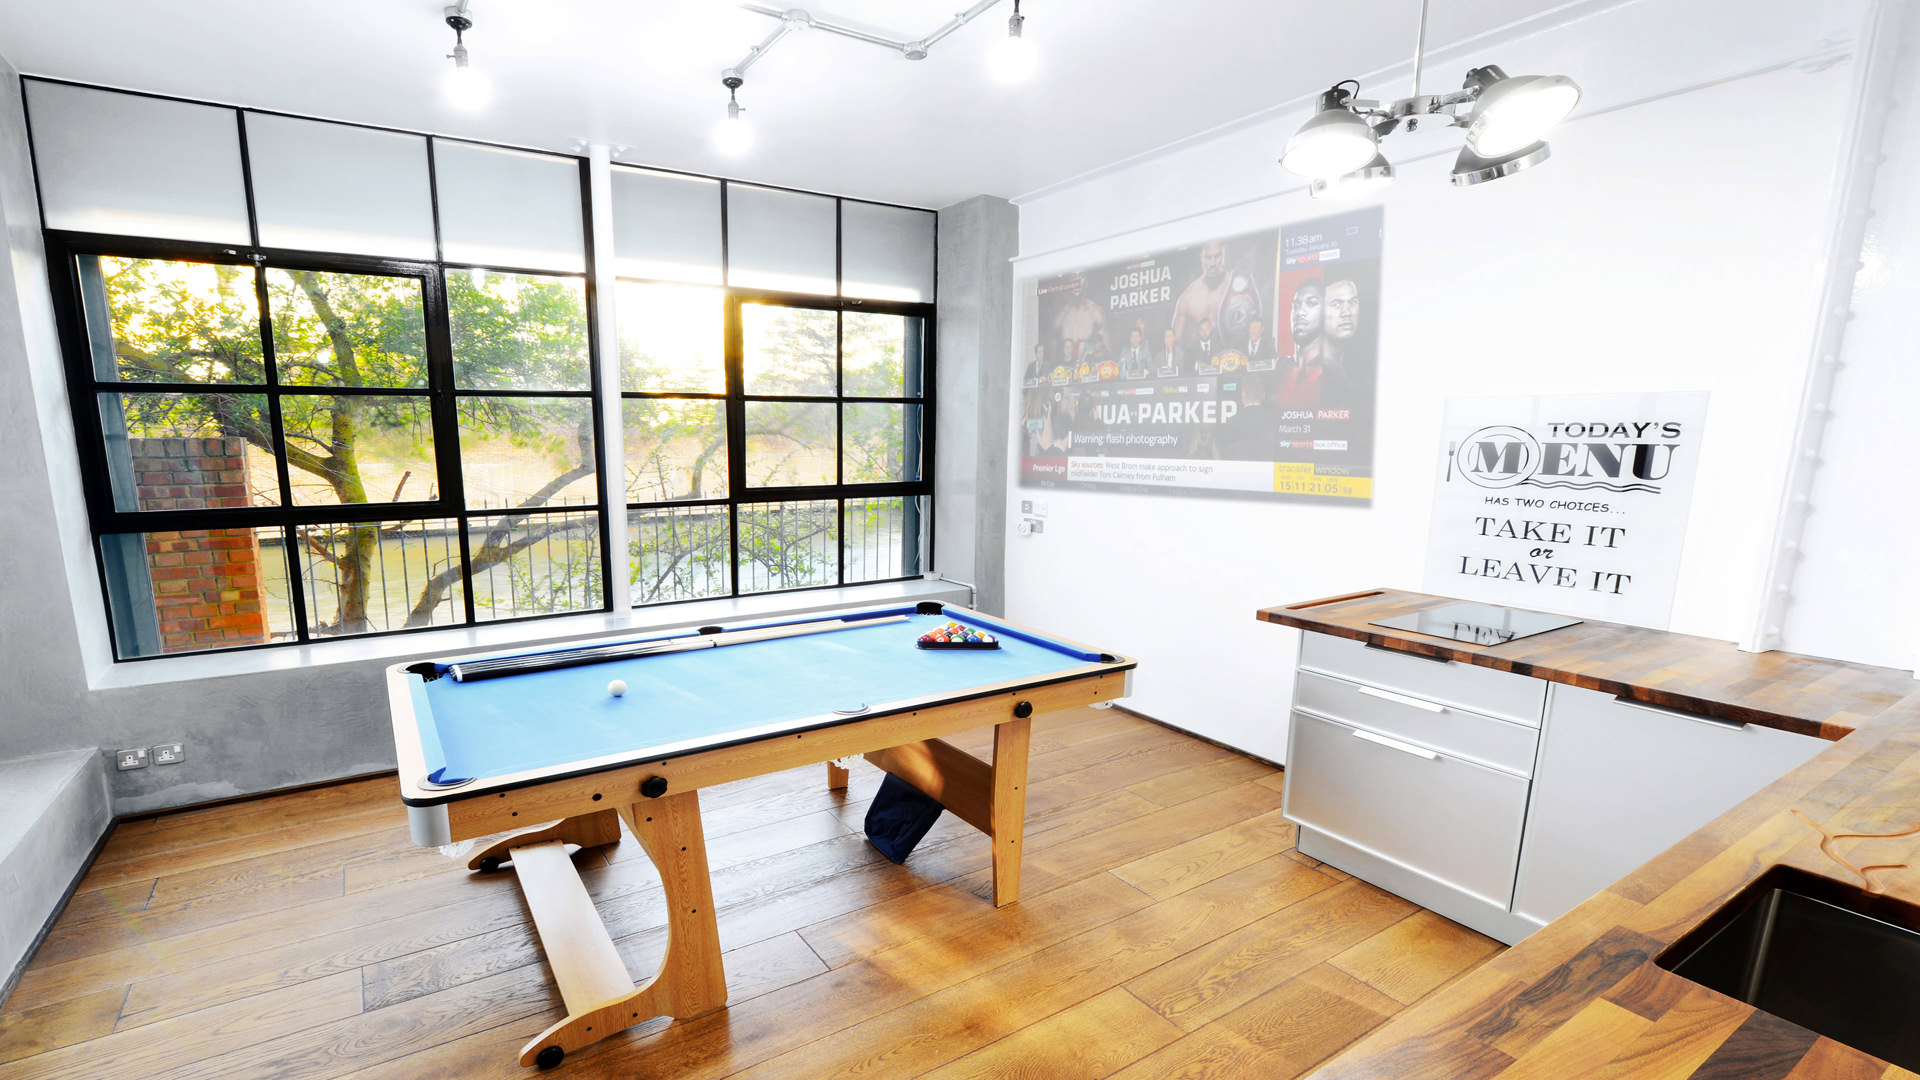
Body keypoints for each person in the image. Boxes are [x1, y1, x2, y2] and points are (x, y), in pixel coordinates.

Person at [1171, 240, 1231, 349]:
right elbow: (1176, 343)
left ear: (1224, 255)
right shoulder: (1188, 297)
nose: (1213, 263)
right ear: (1201, 258)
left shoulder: (1235, 287)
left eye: (1217, 257)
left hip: (1230, 360)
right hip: (1197, 360)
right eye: (1208, 258)